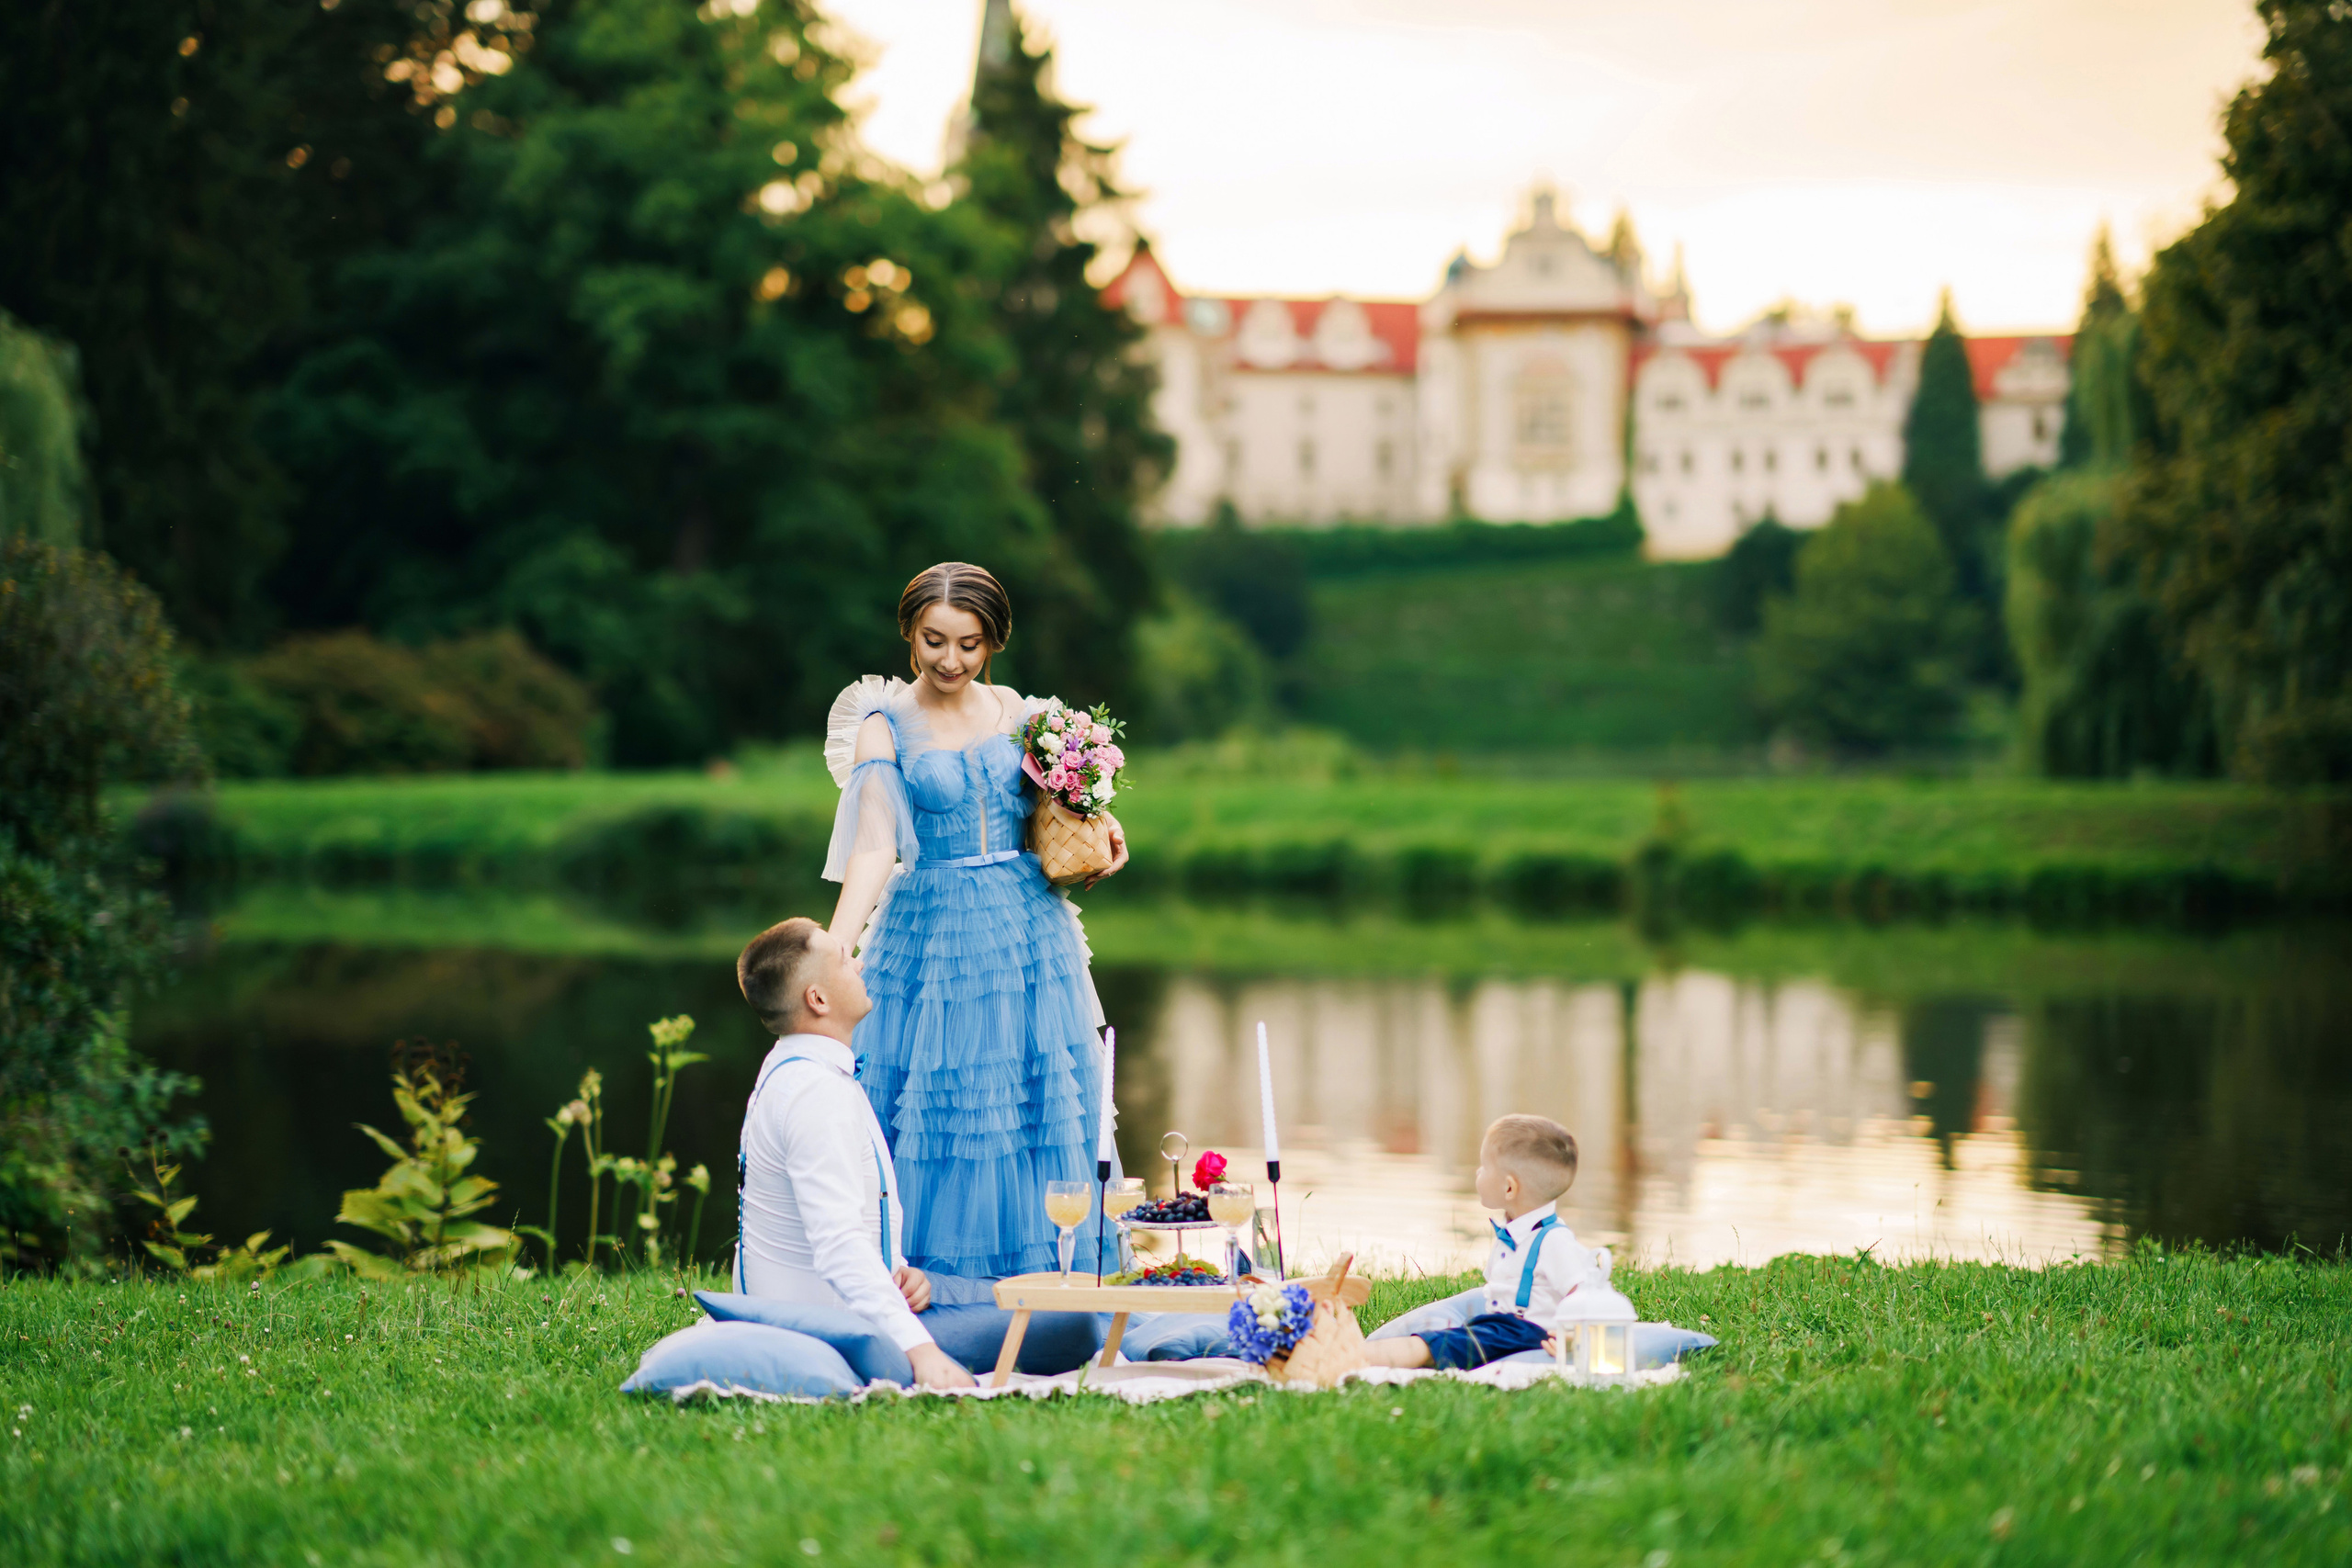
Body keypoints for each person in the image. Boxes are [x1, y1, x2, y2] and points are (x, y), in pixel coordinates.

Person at [822, 562, 1129, 1280]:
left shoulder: (1023, 716)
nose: (950, 659)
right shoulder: (885, 726)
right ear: (909, 632)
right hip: (933, 931)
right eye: (934, 640)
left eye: (969, 643)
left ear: (992, 642)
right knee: (944, 1106)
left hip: (1030, 929)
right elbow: (874, 847)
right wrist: (834, 948)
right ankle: (930, 1278)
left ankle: (1057, 1274)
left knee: (1037, 1097)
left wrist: (1109, 828)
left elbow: (1065, 815)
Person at [727, 917, 1103, 1386]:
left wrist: (900, 1271)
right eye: (845, 960)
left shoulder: (796, 1069)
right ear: (817, 999)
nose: (861, 966)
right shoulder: (813, 1094)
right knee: (1078, 1322)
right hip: (841, 1328)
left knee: (1028, 1292)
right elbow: (838, 1244)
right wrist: (922, 1352)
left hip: (864, 1302)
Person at [1362, 1114, 1633, 1371]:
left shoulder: (1554, 1241)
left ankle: (1355, 1357)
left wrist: (1573, 1336)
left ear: (1509, 1188)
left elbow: (1587, 1291)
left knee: (1437, 1344)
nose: (1477, 1173)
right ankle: (1360, 1349)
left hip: (1526, 1333)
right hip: (1499, 1327)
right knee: (1458, 1336)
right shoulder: (1516, 1233)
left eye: (1484, 1168)